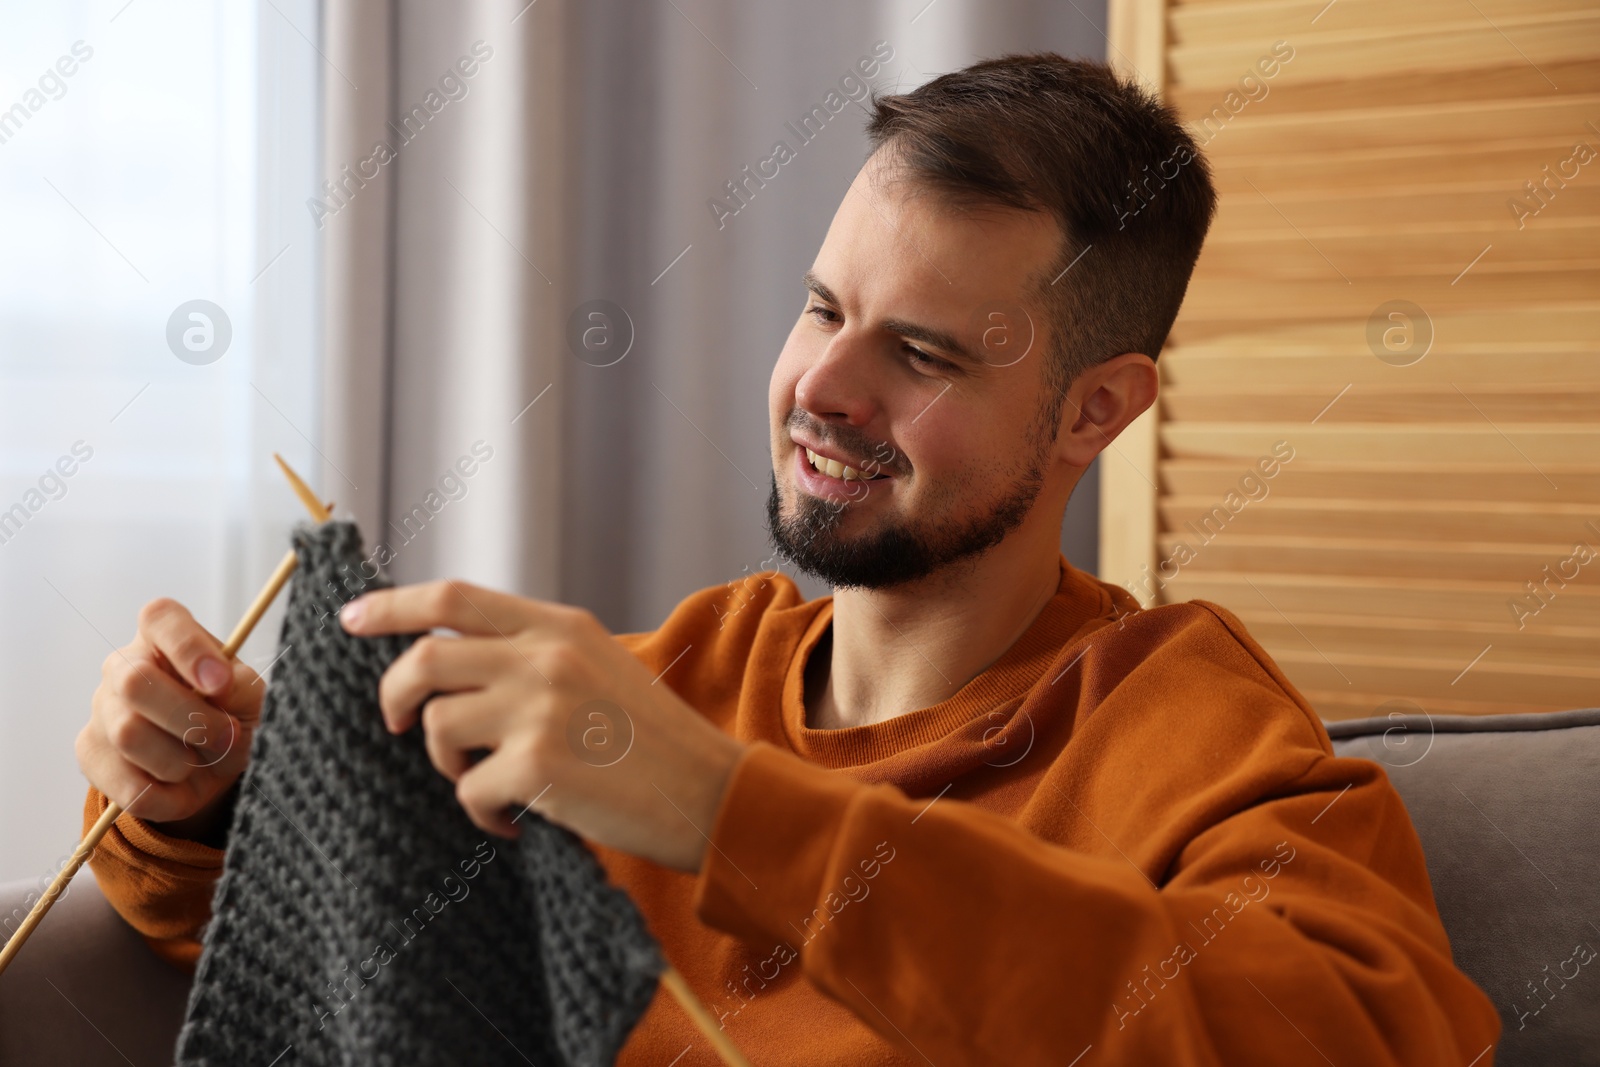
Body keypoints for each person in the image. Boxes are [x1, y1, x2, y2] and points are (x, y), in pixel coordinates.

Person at [77, 53, 1501, 1065]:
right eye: (822, 310)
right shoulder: (670, 678)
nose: (823, 387)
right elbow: (359, 963)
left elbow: (1358, 1042)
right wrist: (204, 798)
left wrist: (725, 811)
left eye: (922, 353)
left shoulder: (1189, 730)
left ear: (1096, 410)